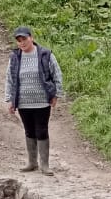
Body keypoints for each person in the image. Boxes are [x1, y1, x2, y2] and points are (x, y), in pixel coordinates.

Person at [4, 26, 66, 176]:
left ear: (31, 37)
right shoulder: (15, 57)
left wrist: (56, 94)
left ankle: (45, 165)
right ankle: (32, 162)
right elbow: (10, 79)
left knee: (41, 130)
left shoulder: (45, 54)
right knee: (29, 130)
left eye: (24, 39)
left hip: (42, 101)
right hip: (23, 102)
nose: (22, 43)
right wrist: (10, 99)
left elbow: (57, 74)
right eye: (19, 40)